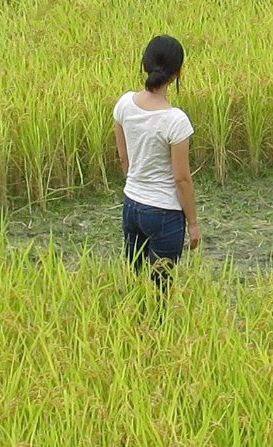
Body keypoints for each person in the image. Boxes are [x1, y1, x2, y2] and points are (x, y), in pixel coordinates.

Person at [114, 35, 199, 291]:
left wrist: (137, 184)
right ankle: (158, 328)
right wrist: (193, 224)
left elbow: (123, 158)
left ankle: (130, 325)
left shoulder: (124, 104)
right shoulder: (175, 120)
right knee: (161, 288)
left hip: (132, 205)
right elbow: (181, 178)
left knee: (134, 279)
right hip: (164, 213)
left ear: (145, 64)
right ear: (178, 72)